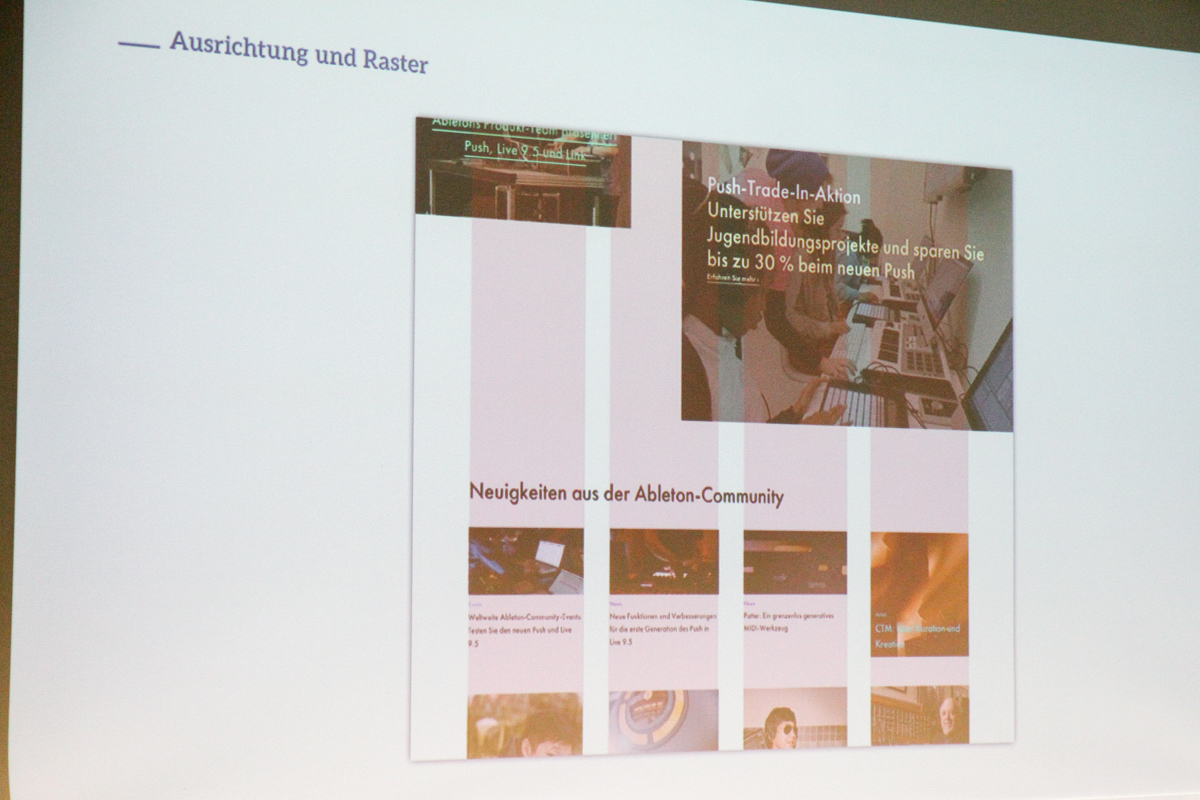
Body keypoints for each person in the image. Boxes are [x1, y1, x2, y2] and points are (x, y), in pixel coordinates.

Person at [680, 177, 844, 424]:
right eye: (760, 294)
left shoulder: (717, 346)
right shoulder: (693, 376)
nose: (761, 312)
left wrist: (794, 414)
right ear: (724, 289)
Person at [761, 150, 856, 380]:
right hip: (804, 346)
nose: (821, 203)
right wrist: (821, 360)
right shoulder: (786, 240)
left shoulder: (783, 221)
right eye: (818, 194)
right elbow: (778, 317)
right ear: (799, 192)